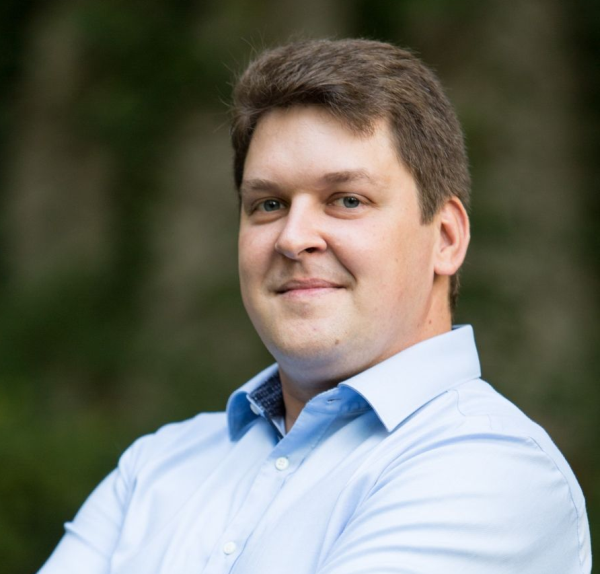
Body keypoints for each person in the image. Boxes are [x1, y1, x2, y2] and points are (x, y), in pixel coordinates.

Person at [38, 38, 591, 574]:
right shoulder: (157, 466)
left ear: (445, 238)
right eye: (268, 204)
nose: (293, 237)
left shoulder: (492, 467)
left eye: (347, 200)